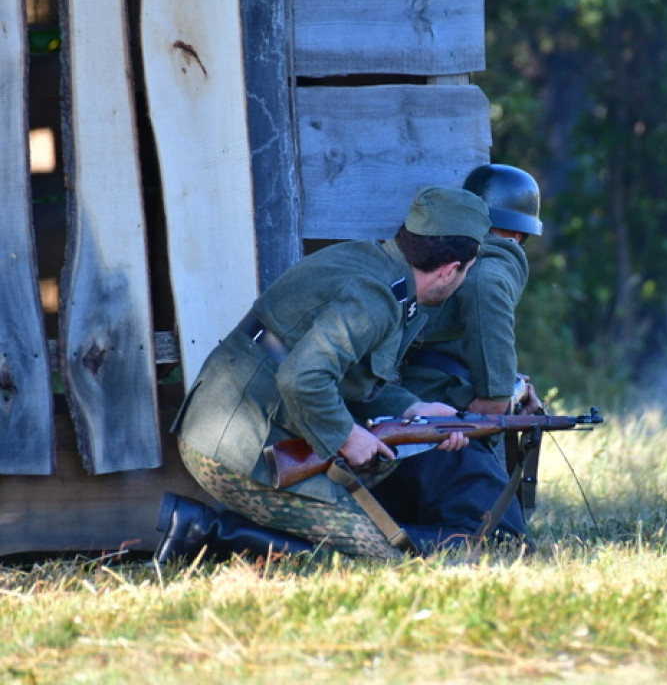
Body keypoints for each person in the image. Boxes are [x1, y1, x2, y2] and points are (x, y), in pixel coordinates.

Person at [154, 186, 490, 562]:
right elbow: (302, 378)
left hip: (237, 430)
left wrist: (414, 409)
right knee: (383, 558)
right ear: (449, 270)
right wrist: (347, 435)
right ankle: (204, 532)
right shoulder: (375, 299)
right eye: (467, 271)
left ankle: (206, 529)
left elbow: (350, 378)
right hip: (234, 448)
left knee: (375, 539)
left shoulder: (373, 266)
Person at [360, 164, 545, 550]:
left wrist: (512, 385)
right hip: (435, 420)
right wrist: (497, 397)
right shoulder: (492, 265)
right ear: (517, 234)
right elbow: (485, 288)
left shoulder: (442, 249)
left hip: (398, 406)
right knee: (502, 538)